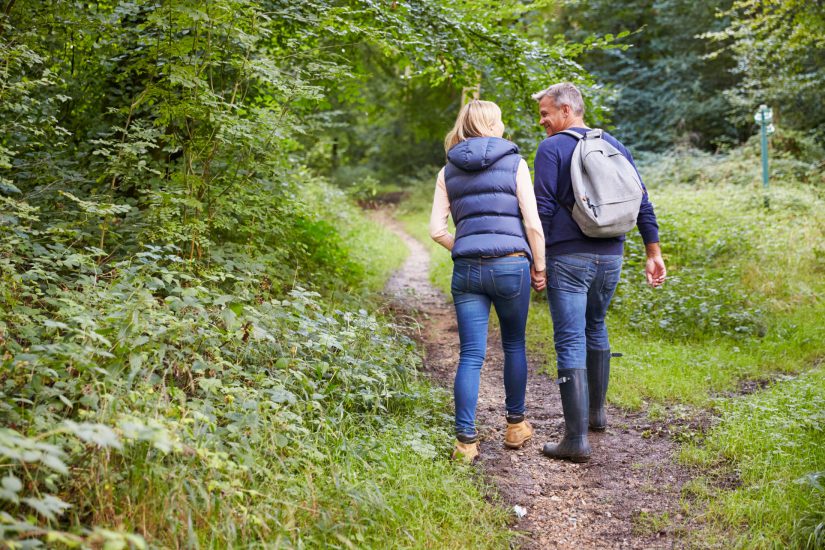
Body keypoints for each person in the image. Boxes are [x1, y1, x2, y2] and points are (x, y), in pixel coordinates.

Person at [531, 83, 666, 463]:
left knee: (569, 339)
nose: (542, 121)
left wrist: (535, 260)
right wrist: (652, 252)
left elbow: (541, 209)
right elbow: (642, 200)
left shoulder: (551, 148)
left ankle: (575, 440)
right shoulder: (613, 145)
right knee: (596, 325)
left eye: (546, 113)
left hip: (568, 258)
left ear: (567, 110)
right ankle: (596, 416)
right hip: (612, 256)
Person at [429, 99, 546, 462]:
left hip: (467, 270)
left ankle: (465, 443)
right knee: (513, 344)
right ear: (494, 124)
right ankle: (515, 427)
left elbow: (436, 230)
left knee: (471, 355)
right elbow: (532, 223)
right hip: (511, 265)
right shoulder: (515, 162)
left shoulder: (447, 170)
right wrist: (538, 265)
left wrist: (461, 245)